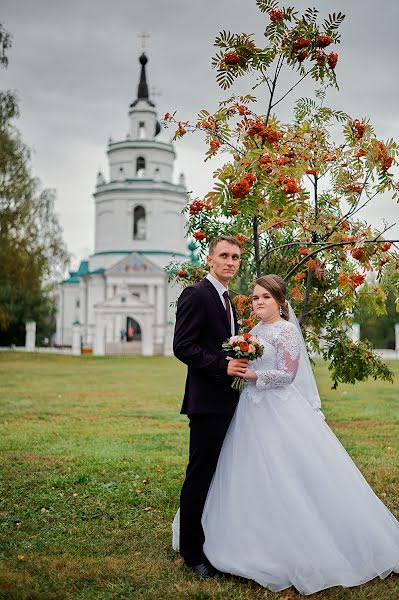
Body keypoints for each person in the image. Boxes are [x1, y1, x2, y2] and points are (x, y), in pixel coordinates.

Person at [197, 274, 399, 595]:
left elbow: (288, 375)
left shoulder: (286, 330)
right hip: (250, 409)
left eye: (265, 297)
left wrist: (252, 375)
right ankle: (249, 534)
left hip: (278, 409)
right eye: (255, 298)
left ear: (279, 301)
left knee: (286, 472)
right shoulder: (255, 332)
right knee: (248, 470)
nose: (259, 302)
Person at [173, 235, 248, 579]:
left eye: (235, 257)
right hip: (206, 403)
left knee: (220, 474)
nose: (231, 262)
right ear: (210, 258)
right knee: (199, 475)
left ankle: (215, 540)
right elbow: (183, 346)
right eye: (224, 256)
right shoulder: (196, 294)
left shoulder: (228, 300)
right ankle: (192, 554)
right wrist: (223, 366)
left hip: (230, 400)